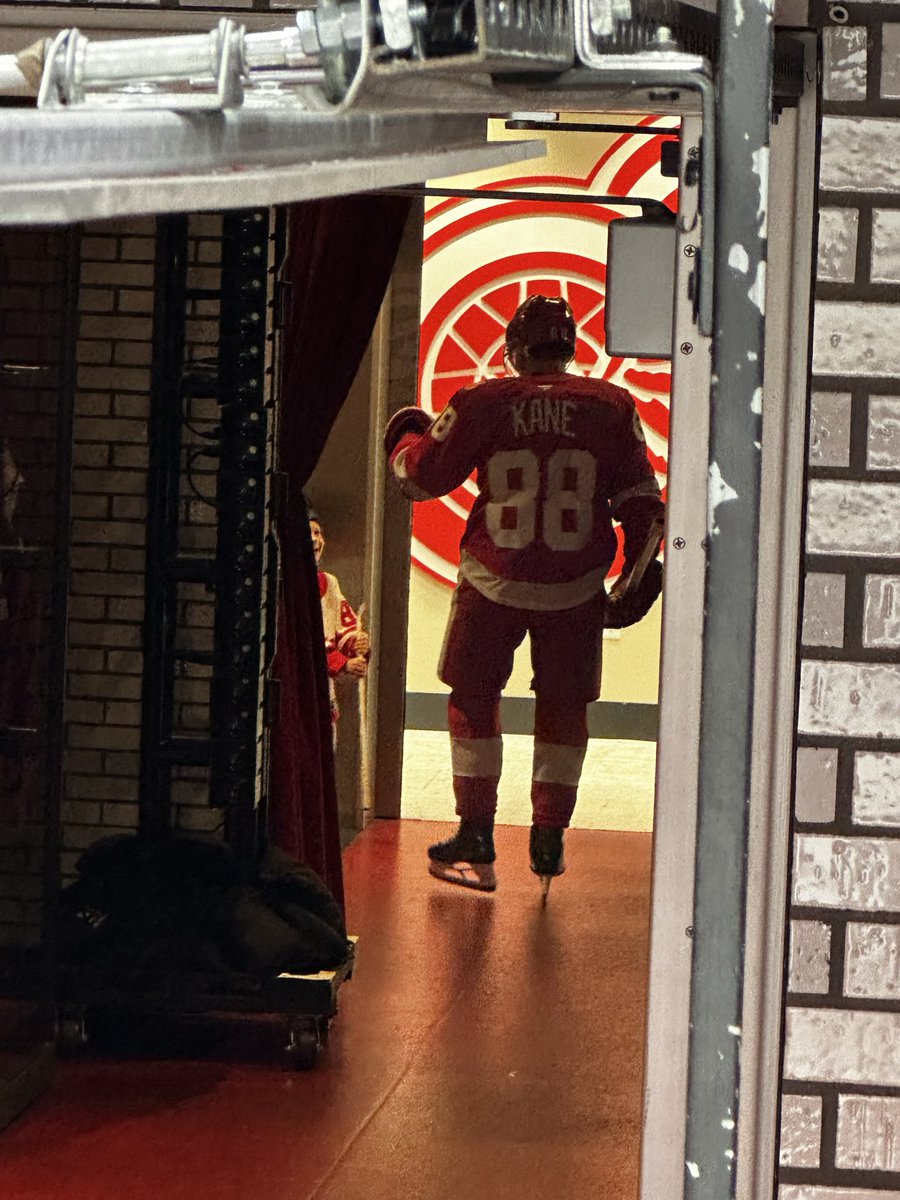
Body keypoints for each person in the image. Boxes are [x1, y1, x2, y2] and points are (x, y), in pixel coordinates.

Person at [384, 294, 664, 899]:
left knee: (472, 696)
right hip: (576, 585)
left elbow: (419, 478)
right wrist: (635, 578)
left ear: (514, 348)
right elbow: (644, 505)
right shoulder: (612, 406)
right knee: (564, 706)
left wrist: (404, 438)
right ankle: (549, 838)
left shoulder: (481, 400)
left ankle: (475, 833)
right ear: (570, 347)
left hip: (493, 578)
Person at [308, 509, 370, 742]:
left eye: (318, 533)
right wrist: (342, 663)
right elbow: (305, 643)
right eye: (307, 533)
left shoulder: (328, 583)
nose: (315, 540)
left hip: (324, 693)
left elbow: (344, 626)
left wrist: (356, 642)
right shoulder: (286, 586)